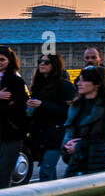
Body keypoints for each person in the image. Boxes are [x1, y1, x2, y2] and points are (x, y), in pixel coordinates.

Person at [62, 66, 105, 177]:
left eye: (83, 80)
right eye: (78, 80)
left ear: (97, 83)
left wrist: (80, 146)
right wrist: (66, 146)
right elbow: (69, 132)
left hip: (99, 167)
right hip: (76, 164)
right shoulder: (75, 106)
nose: (78, 83)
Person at [26, 53, 76, 181]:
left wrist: (42, 104)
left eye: (46, 62)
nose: (41, 64)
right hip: (41, 133)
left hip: (56, 133)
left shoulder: (65, 85)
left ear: (54, 65)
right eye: (40, 61)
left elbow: (68, 111)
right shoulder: (39, 84)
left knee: (46, 171)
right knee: (48, 171)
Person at [0, 46, 29, 187]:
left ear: (10, 60)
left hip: (10, 131)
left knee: (4, 172)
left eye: (2, 60)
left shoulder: (16, 80)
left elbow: (18, 106)